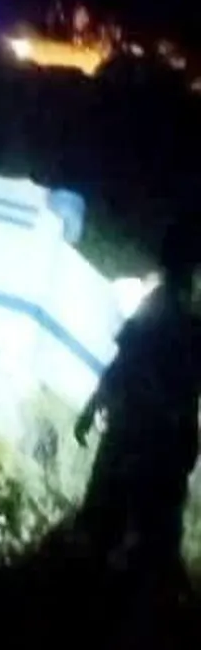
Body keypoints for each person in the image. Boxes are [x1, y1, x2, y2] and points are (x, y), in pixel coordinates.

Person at [75, 221, 201, 575]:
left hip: (143, 438)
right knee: (128, 534)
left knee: (114, 530)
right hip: (145, 440)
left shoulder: (167, 309)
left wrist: (94, 405)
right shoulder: (169, 310)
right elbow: (126, 361)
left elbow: (124, 361)